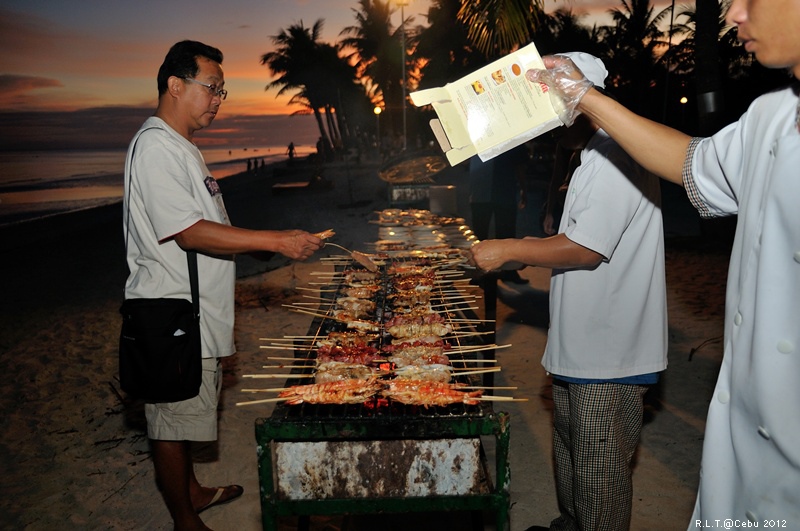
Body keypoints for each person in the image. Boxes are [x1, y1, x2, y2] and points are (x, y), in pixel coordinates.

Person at [526, 1, 800, 528]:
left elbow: (586, 247)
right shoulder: (769, 118)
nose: (735, 13)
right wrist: (581, 95)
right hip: (751, 427)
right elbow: (692, 162)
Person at [123, 40, 323, 530]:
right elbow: (188, 230)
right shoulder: (154, 147)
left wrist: (252, 246)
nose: (218, 99)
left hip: (197, 311)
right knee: (170, 423)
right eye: (211, 88)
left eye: (222, 91)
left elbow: (207, 221)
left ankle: (192, 490)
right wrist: (275, 240)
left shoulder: (182, 148)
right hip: (171, 313)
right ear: (174, 85)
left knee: (190, 407)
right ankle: (185, 521)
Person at [471, 52, 668, 531]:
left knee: (600, 476)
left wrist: (509, 248)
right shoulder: (591, 156)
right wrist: (524, 251)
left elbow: (585, 249)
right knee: (572, 457)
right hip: (581, 348)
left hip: (609, 354)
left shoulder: (616, 155)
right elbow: (575, 238)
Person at [468, 144, 530, 284]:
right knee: (480, 234)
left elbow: (520, 165)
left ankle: (507, 271)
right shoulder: (478, 133)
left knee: (505, 235)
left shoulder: (510, 135)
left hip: (501, 191)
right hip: (484, 191)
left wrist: (523, 189)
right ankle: (480, 272)